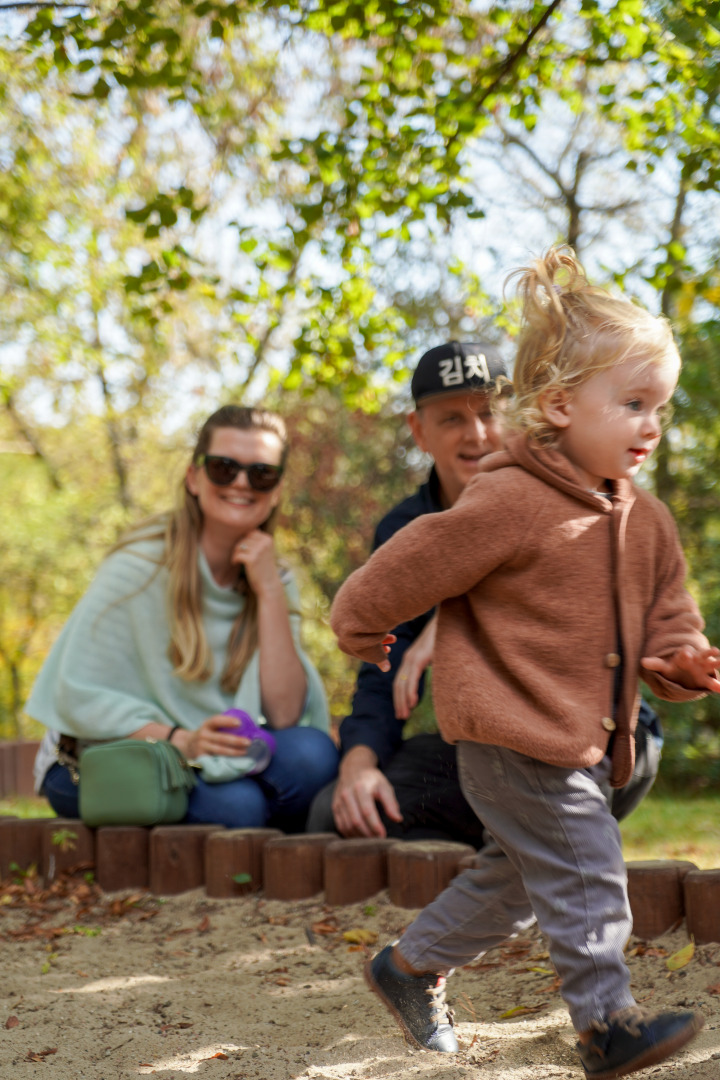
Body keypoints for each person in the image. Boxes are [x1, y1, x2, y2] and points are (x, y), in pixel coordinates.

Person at [330, 248, 718, 1078]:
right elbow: (413, 560)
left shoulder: (642, 517)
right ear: (559, 404)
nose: (653, 424)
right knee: (589, 869)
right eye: (634, 404)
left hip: (580, 737)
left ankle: (408, 966)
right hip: (512, 735)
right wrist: (361, 618)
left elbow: (665, 610)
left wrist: (680, 657)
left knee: (513, 886)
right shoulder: (510, 498)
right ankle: (606, 1025)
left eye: (662, 406)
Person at [308, 340, 663, 844]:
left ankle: (535, 845)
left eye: (490, 413)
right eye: (451, 419)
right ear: (419, 431)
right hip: (498, 747)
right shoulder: (406, 527)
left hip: (604, 737)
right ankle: (512, 851)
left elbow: (610, 625)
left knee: (509, 809)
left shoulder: (572, 488)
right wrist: (358, 766)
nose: (475, 434)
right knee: (338, 811)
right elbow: (381, 666)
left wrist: (456, 618)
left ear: (518, 416)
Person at [28, 404, 339, 831]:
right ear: (194, 477)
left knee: (313, 754)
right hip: (106, 759)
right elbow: (80, 702)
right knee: (239, 809)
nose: (242, 483)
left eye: (261, 473)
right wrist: (183, 739)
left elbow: (285, 715)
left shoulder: (275, 578)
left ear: (278, 489)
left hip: (207, 755)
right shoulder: (138, 568)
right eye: (223, 468)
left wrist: (269, 591)